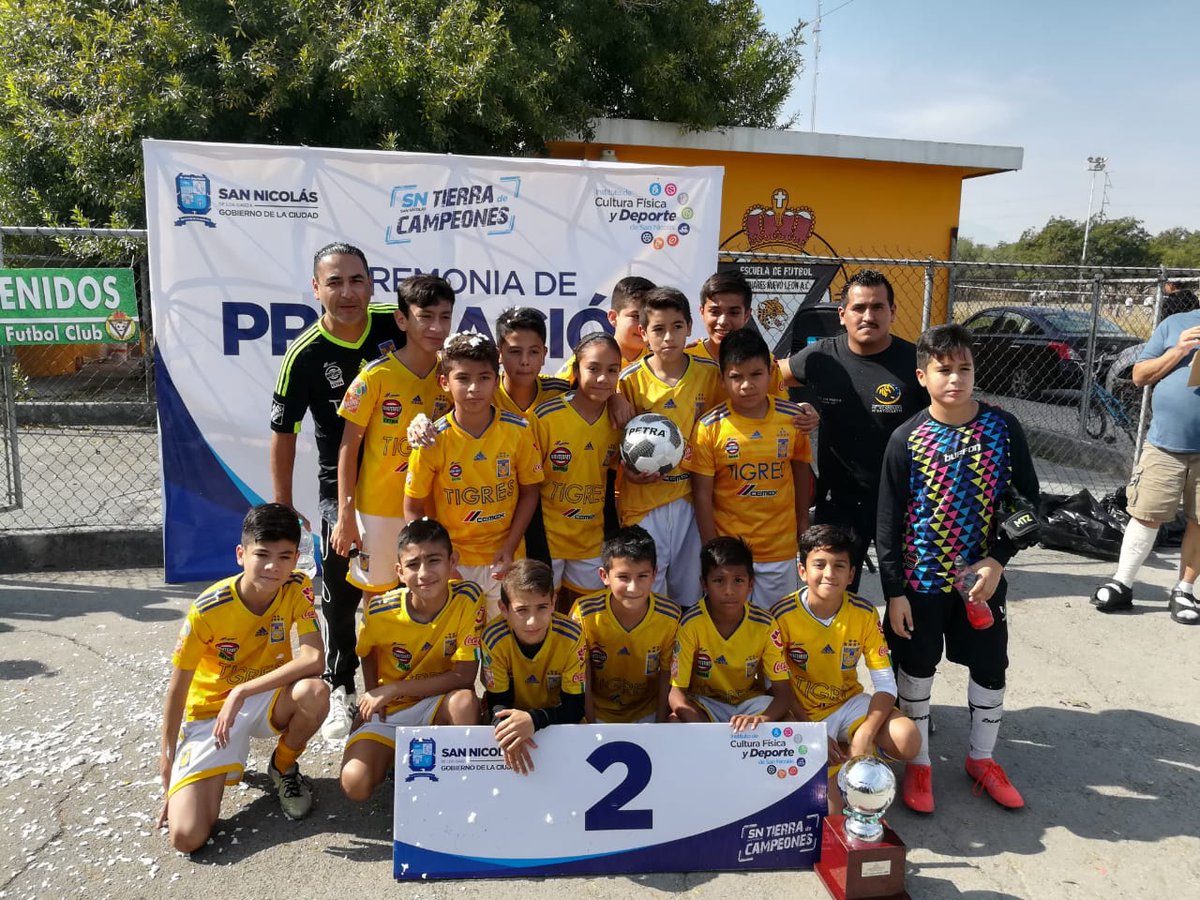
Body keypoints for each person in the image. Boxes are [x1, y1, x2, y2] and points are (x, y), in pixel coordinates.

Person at [877, 324, 1039, 814]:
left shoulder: (1003, 428)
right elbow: (887, 522)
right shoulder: (907, 438)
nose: (956, 379)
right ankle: (920, 763)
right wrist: (895, 591)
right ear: (923, 376)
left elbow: (1031, 503)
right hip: (921, 583)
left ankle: (981, 759)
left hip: (982, 585)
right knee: (916, 670)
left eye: (964, 368)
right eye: (944, 370)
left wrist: (997, 559)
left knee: (991, 669)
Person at [269, 242, 404, 742]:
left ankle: (410, 687)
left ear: (372, 283)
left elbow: (457, 365)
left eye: (356, 280)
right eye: (335, 282)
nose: (347, 293)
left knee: (419, 586)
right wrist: (283, 508)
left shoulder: (398, 322)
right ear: (316, 289)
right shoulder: (304, 354)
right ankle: (342, 687)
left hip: (411, 487)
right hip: (342, 495)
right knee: (342, 597)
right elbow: (284, 434)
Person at [158, 503, 330, 852]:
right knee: (187, 837)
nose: (272, 566)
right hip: (212, 713)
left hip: (265, 698)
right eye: (262, 554)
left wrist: (243, 691)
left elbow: (314, 657)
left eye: (284, 556)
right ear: (241, 553)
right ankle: (206, 775)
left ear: (296, 559)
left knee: (315, 693)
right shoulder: (208, 608)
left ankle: (282, 769)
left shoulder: (297, 587)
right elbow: (178, 689)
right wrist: (167, 758)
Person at [780, 269, 929, 592]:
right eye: (859, 308)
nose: (868, 315)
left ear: (893, 312)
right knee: (830, 592)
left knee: (912, 597)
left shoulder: (916, 362)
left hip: (907, 500)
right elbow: (768, 377)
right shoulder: (821, 356)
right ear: (842, 314)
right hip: (840, 501)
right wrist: (796, 409)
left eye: (878, 307)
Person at [771, 524, 919, 811]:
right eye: (819, 564)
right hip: (801, 711)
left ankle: (860, 747)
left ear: (852, 574)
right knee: (832, 808)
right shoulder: (781, 615)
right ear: (802, 571)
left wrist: (866, 731)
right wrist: (811, 730)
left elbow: (886, 684)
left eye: (839, 565)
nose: (829, 574)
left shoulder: (864, 614)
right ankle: (843, 759)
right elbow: (775, 686)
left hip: (847, 702)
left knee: (908, 739)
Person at [339, 519, 484, 802]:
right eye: (413, 564)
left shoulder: (468, 598)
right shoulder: (381, 609)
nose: (425, 572)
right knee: (354, 784)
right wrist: (371, 696)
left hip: (438, 704)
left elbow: (465, 677)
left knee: (466, 702)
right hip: (393, 710)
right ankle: (397, 760)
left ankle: (457, 790)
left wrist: (393, 688)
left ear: (452, 561)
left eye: (434, 560)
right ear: (399, 572)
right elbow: (367, 650)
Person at [403, 333, 544, 618]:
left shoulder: (518, 430)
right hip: (453, 562)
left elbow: (530, 492)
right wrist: (440, 560)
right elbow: (412, 508)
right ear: (445, 383)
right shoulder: (432, 439)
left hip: (505, 558)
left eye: (483, 378)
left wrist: (510, 547)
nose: (473, 388)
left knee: (500, 642)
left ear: (496, 379)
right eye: (463, 378)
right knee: (457, 647)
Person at [331, 273, 453, 600]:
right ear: (401, 319)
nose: (437, 328)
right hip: (377, 510)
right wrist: (346, 514)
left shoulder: (454, 377)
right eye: (425, 317)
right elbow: (347, 447)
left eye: (445, 317)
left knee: (434, 597)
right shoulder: (375, 375)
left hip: (433, 507)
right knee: (377, 600)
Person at [686, 328, 813, 608]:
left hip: (778, 549)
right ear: (722, 380)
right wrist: (712, 549)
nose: (746, 385)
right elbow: (702, 495)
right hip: (729, 553)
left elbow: (801, 472)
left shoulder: (792, 420)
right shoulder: (709, 427)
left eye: (755, 375)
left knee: (777, 627)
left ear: (770, 373)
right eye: (736, 377)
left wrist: (803, 522)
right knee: (731, 627)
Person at [1091, 303, 1200, 624]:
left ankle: (1184, 590)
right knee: (1146, 513)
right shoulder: (1176, 324)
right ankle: (1123, 582)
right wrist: (1179, 350)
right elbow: (1139, 375)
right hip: (1165, 445)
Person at [618, 287, 722, 602]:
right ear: (643, 334)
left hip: (691, 500)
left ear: (690, 327)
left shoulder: (709, 375)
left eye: (677, 327)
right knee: (649, 590)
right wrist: (629, 469)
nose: (668, 337)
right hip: (643, 504)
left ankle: (685, 650)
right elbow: (617, 443)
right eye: (658, 329)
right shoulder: (628, 381)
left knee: (689, 590)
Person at [531, 333, 624, 602]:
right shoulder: (547, 417)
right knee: (545, 608)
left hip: (592, 540)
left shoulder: (619, 421)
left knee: (586, 615)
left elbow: (616, 480)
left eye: (612, 370)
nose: (603, 378)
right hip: (549, 539)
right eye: (593, 369)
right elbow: (529, 484)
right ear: (575, 370)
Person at [668, 536, 792, 729]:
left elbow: (783, 694)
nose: (729, 591)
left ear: (751, 584)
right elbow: (677, 694)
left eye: (738, 581)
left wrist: (762, 720)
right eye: (719, 581)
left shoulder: (765, 624)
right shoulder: (691, 623)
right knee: (674, 721)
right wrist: (706, 732)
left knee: (789, 722)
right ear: (704, 583)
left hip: (750, 703)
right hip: (705, 703)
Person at [481, 560, 587, 774]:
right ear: (504, 609)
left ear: (553, 602)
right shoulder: (493, 639)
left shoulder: (572, 636)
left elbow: (575, 708)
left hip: (557, 719)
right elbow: (497, 701)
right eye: (521, 610)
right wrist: (510, 730)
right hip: (513, 718)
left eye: (542, 607)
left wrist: (533, 720)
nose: (532, 621)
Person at [570, 525, 681, 723]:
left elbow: (667, 674)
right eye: (623, 577)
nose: (633, 587)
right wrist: (591, 723)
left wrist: (660, 723)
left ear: (655, 574)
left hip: (647, 713)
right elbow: (580, 673)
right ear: (604, 576)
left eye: (642, 576)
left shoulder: (670, 616)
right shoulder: (585, 613)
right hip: (596, 712)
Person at [687, 270, 794, 404]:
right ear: (702, 312)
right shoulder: (685, 359)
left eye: (733, 312)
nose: (723, 321)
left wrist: (803, 409)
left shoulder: (766, 361)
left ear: (746, 315)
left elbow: (780, 411)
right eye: (715, 312)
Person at [557, 275, 655, 377]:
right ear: (613, 318)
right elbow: (558, 391)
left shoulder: (661, 361)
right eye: (636, 316)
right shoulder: (588, 357)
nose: (643, 324)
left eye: (650, 316)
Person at [494, 306, 572, 414]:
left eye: (533, 352)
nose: (524, 361)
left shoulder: (562, 392)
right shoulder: (486, 395)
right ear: (499, 355)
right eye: (515, 351)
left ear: (543, 355)